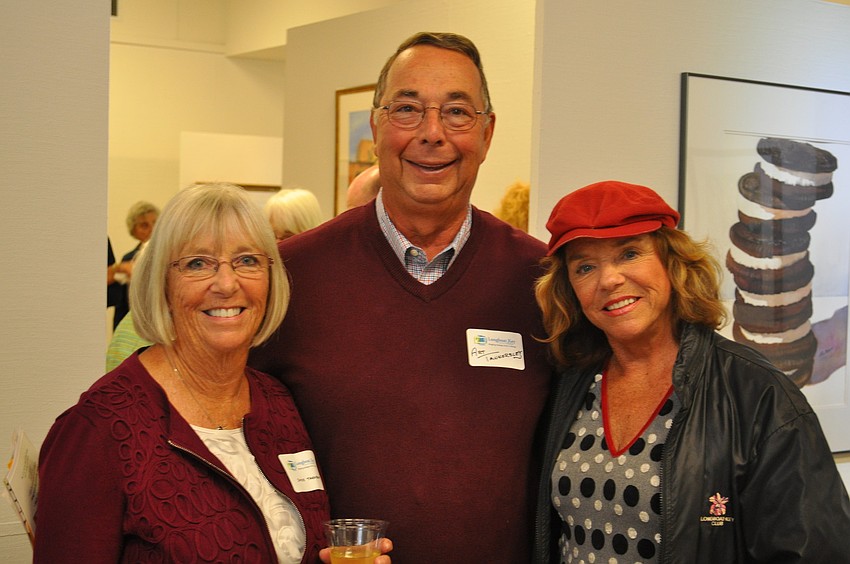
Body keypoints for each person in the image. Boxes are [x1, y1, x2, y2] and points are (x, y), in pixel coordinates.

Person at [250, 32, 552, 563]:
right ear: (375, 126)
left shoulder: (540, 279)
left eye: (457, 111)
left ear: (487, 132)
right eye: (408, 109)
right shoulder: (293, 274)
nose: (432, 134)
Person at [36, 183, 391, 564]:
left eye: (247, 261)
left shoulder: (278, 403)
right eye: (197, 263)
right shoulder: (98, 431)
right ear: (162, 283)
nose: (226, 284)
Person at [532, 180, 850, 563]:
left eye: (630, 253)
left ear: (672, 262)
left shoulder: (758, 393)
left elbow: (814, 551)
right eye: (585, 266)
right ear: (570, 289)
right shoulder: (568, 385)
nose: (609, 279)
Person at [112, 200, 160, 328]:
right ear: (134, 231)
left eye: (156, 222)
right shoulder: (129, 258)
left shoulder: (172, 254)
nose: (152, 229)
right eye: (144, 225)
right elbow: (122, 305)